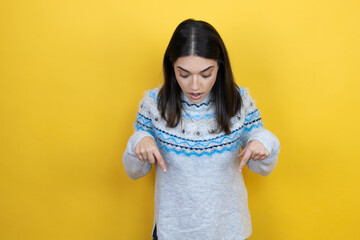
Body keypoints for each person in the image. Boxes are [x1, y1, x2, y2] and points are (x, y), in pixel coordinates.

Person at [122, 19, 280, 240]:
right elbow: (134, 171)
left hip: (228, 231)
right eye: (184, 74)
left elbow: (261, 164)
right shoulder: (153, 103)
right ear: (171, 67)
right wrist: (140, 140)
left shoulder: (239, 100)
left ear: (220, 66)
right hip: (171, 231)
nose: (195, 86)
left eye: (206, 74)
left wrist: (264, 141)